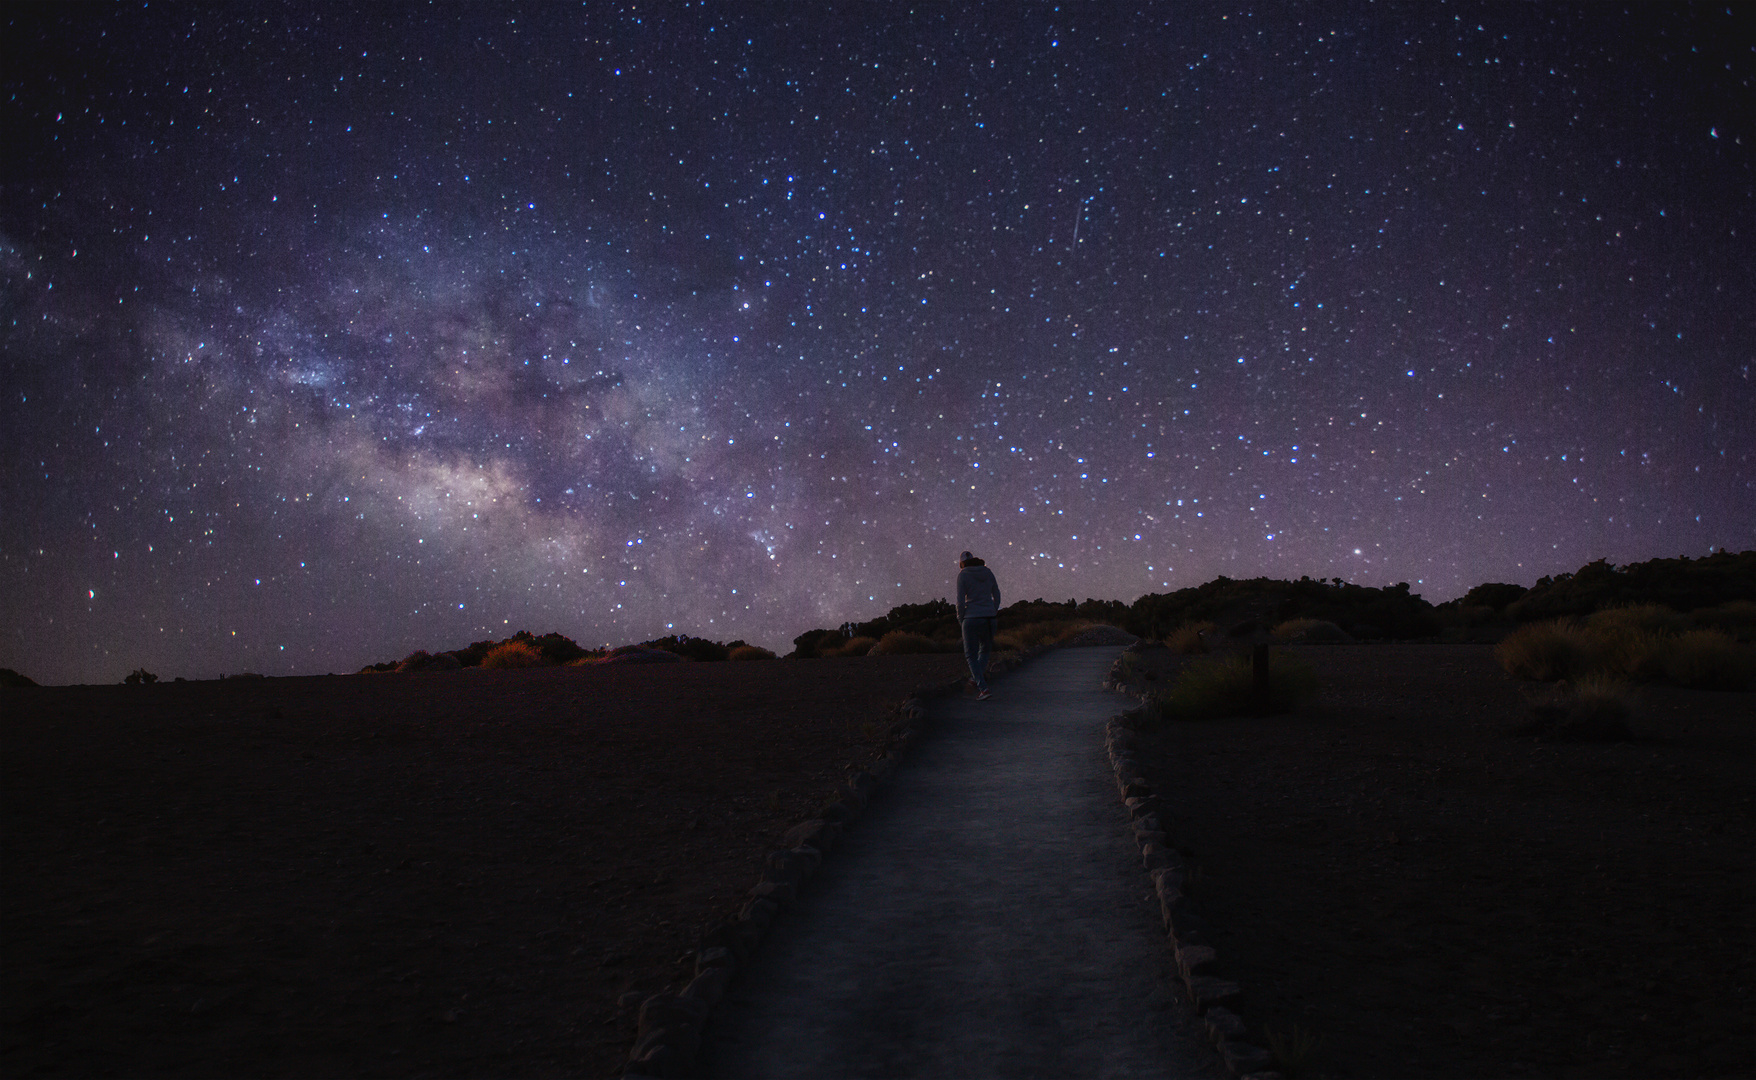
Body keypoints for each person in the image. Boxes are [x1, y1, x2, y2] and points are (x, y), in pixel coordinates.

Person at [955, 550, 1001, 699]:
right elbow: (997, 594)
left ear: (962, 563)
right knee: (985, 651)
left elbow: (960, 602)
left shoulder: (963, 575)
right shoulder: (988, 572)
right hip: (989, 618)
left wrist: (961, 619)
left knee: (971, 655)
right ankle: (977, 680)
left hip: (972, 618)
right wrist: (993, 610)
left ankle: (983, 688)